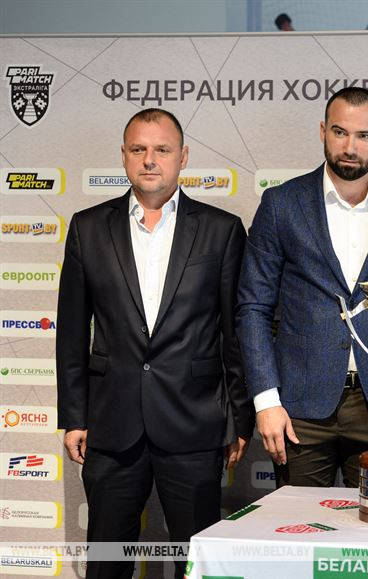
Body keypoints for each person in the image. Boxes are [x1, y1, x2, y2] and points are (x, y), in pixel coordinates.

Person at [56, 108, 253, 579]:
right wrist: (75, 416)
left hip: (194, 422)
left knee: (196, 562)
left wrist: (239, 417)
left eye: (162, 149)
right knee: (107, 561)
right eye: (139, 149)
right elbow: (71, 331)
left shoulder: (222, 230)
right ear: (123, 156)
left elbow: (236, 334)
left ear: (182, 157)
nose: (150, 159)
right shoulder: (87, 227)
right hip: (112, 423)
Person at [237, 86, 368, 488]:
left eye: (364, 135)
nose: (350, 147)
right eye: (340, 132)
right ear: (323, 131)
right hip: (299, 409)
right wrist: (265, 400)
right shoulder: (282, 203)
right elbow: (253, 308)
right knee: (297, 525)